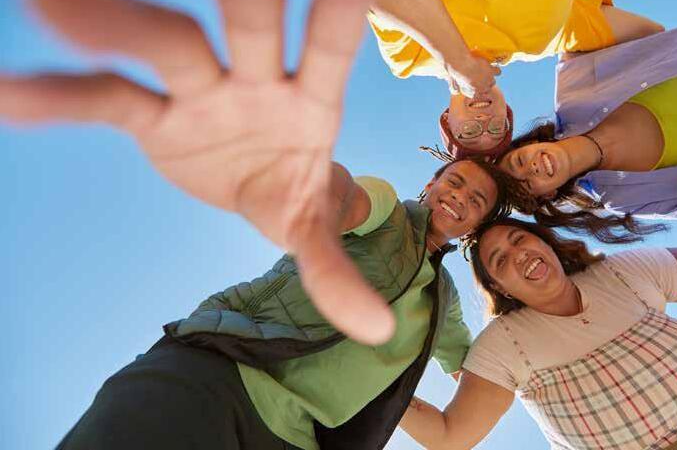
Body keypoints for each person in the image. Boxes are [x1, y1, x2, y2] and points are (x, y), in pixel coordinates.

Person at [0, 0, 399, 345]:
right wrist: (316, 202)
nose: (437, 195)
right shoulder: (394, 216)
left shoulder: (416, 260)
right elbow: (369, 201)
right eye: (436, 183)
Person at [56, 155, 516, 450]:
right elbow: (348, 200)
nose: (459, 197)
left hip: (294, 439)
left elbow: (472, 367)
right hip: (222, 373)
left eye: (476, 200)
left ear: (474, 226)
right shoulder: (387, 211)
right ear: (431, 184)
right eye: (454, 182)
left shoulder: (443, 302)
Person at [397, 162, 677, 450]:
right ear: (499, 287)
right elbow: (449, 436)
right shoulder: (502, 345)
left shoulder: (625, 272)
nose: (517, 254)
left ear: (546, 243)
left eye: (519, 240)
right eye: (500, 260)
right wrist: (375, 385)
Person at [368, 0, 664, 158]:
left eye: (469, 132)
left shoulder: (408, 58)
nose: (483, 121)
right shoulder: (542, 43)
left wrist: (456, 60)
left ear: (447, 120)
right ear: (506, 111)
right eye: (497, 128)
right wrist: (576, 90)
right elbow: (649, 34)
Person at [497, 12, 677, 239]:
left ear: (529, 144)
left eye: (519, 161)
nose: (531, 169)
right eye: (527, 184)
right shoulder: (627, 198)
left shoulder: (576, 83)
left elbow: (642, 30)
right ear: (549, 194)